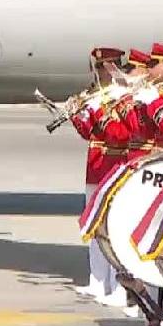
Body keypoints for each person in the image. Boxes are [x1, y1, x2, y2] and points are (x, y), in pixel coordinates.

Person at [70, 47, 130, 307]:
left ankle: (116, 285)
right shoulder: (96, 94)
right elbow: (90, 133)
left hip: (114, 161)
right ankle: (97, 281)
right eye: (97, 67)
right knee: (94, 226)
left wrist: (96, 112)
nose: (100, 72)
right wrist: (77, 116)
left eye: (104, 67)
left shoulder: (121, 95)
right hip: (95, 164)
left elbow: (118, 134)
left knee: (113, 228)